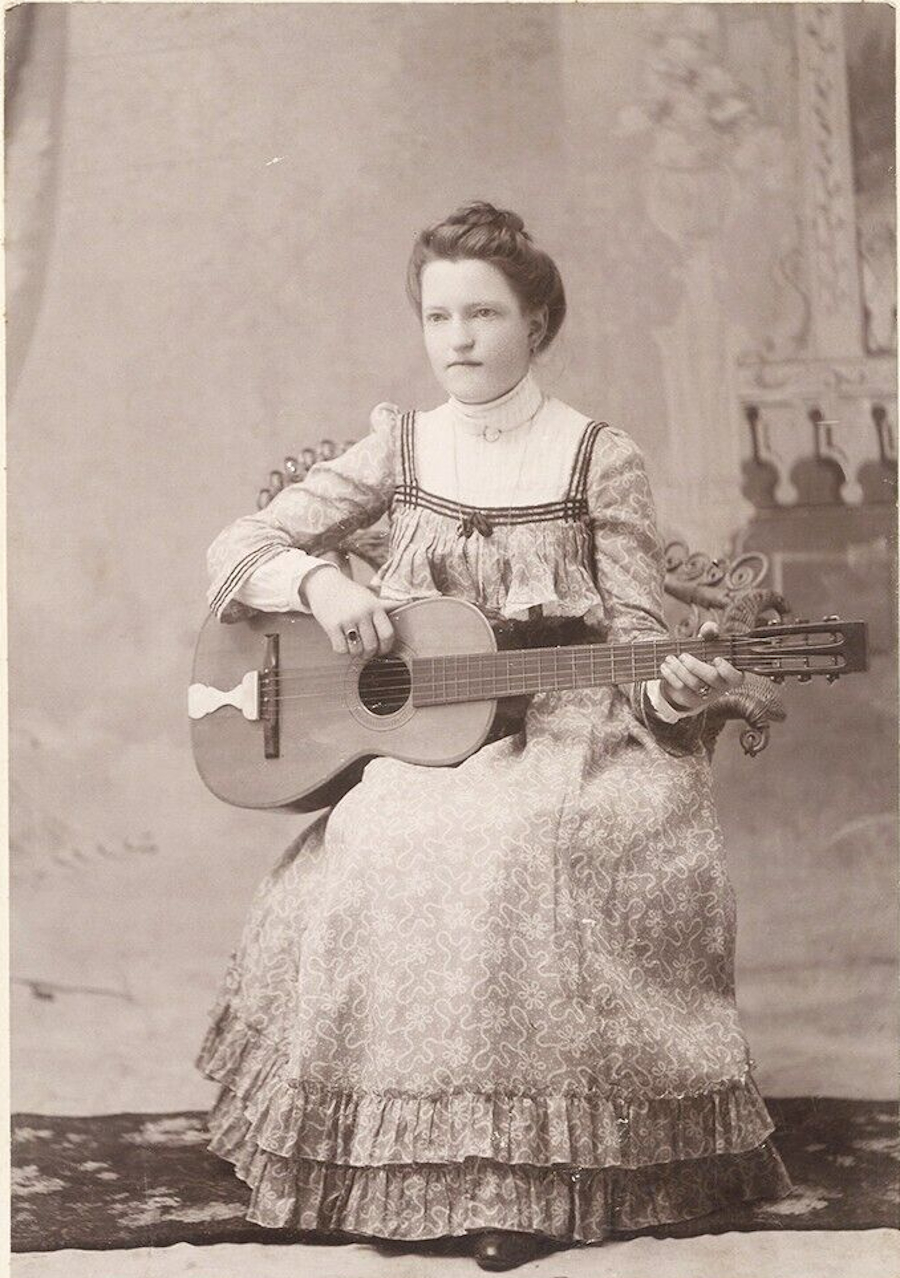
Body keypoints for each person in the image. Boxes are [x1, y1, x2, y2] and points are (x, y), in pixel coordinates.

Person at [197, 202, 792, 1271]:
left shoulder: (598, 457)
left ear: (538, 323)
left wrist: (674, 693)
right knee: (383, 833)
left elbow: (639, 638)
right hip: (429, 732)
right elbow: (239, 545)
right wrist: (324, 584)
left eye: (484, 314)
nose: (459, 339)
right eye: (439, 317)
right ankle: (401, 1163)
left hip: (572, 729)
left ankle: (524, 1175)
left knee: (519, 850)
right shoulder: (402, 446)